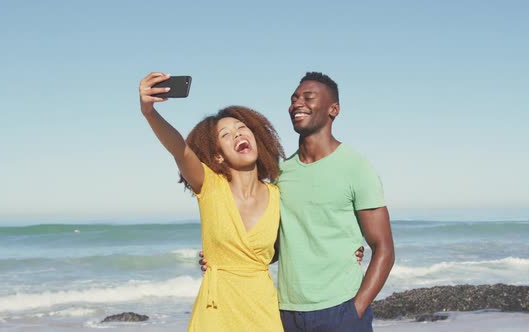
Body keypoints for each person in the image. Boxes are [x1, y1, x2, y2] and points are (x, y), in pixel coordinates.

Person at [202, 72, 395, 331]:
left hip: (341, 307)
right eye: (293, 99)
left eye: (308, 97)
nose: (297, 104)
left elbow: (384, 248)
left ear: (333, 109)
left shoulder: (356, 167)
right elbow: (281, 245)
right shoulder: (281, 174)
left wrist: (355, 310)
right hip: (286, 313)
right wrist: (225, 256)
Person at [138, 72, 286, 332]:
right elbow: (180, 149)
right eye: (226, 135)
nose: (238, 135)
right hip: (216, 313)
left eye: (242, 129)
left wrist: (350, 248)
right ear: (217, 156)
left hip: (263, 312)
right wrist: (149, 112)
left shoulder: (277, 195)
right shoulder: (210, 186)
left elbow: (290, 246)